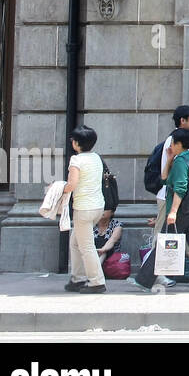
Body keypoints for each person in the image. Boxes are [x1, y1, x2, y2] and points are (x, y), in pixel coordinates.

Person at [132, 127, 189, 292]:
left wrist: (172, 212)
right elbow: (164, 180)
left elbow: (180, 188)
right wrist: (169, 159)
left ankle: (144, 279)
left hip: (181, 210)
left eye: (172, 142)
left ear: (179, 143)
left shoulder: (180, 162)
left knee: (164, 243)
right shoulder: (187, 159)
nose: (169, 145)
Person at [63, 125, 107, 293]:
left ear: (76, 143)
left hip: (83, 209)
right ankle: (78, 278)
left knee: (86, 246)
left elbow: (72, 184)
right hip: (97, 207)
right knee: (75, 242)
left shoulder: (77, 160)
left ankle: (97, 282)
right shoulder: (96, 157)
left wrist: (58, 188)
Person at [151, 105, 189, 249]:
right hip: (169, 196)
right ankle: (155, 270)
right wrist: (173, 210)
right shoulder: (176, 140)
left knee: (175, 237)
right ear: (182, 121)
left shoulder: (182, 139)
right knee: (162, 235)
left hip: (175, 197)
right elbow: (173, 176)